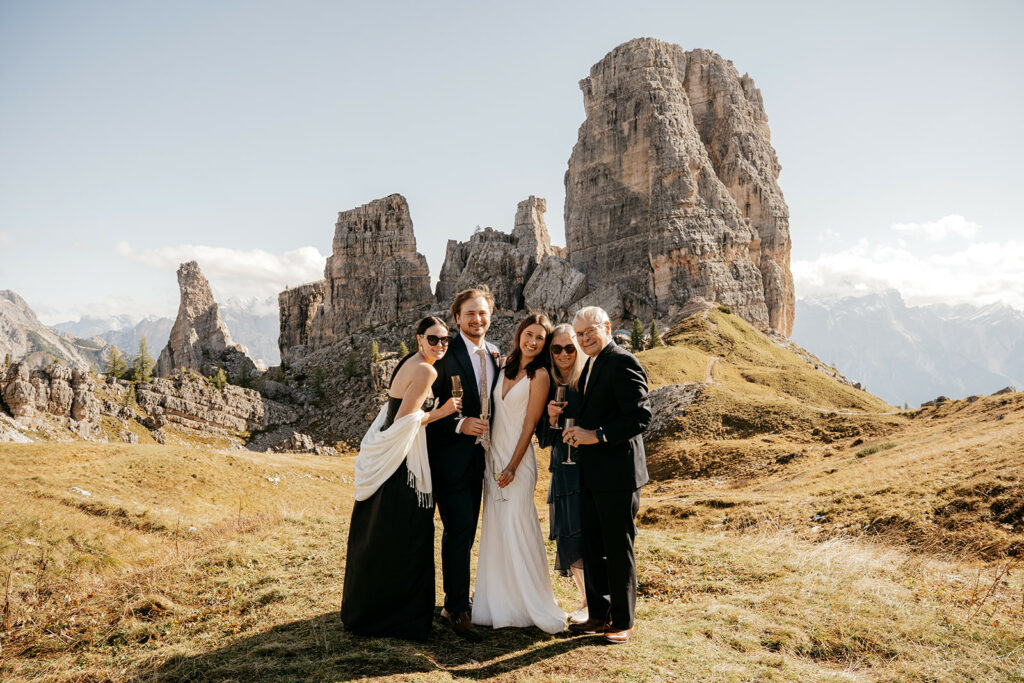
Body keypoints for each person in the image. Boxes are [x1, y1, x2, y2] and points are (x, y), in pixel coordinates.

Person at [341, 316, 461, 641]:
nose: (440, 345)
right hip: (402, 465)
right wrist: (445, 411)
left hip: (391, 460)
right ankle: (400, 619)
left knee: (381, 535)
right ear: (420, 339)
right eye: (433, 339)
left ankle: (368, 610)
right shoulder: (426, 370)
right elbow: (404, 420)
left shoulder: (409, 361)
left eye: (445, 340)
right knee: (408, 536)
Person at [472, 313, 566, 634]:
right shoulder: (506, 364)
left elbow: (529, 424)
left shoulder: (540, 375)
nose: (533, 341)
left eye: (540, 338)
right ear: (520, 333)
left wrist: (512, 465)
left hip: (518, 461)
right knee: (497, 528)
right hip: (492, 457)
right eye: (529, 334)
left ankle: (531, 604)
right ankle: (496, 605)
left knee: (518, 525)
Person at [562, 306, 651, 644]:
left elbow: (641, 417)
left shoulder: (622, 360)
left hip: (618, 474)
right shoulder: (592, 364)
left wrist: (595, 435)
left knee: (617, 547)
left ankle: (624, 621)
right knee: (594, 545)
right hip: (592, 472)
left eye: (590, 331)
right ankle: (599, 615)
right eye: (579, 334)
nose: (584, 338)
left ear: (607, 327)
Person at [426, 288, 500, 641]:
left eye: (482, 313)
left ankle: (455, 600)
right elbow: (420, 411)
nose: (477, 320)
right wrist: (458, 424)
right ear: (457, 318)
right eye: (470, 314)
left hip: (481, 460)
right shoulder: (444, 355)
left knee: (468, 532)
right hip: (450, 459)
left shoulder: (496, 355)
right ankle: (456, 608)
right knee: (459, 531)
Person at [537, 323, 588, 624]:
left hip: (588, 467)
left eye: (570, 347)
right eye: (557, 349)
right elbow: (544, 440)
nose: (564, 353)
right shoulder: (551, 384)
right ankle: (585, 600)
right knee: (567, 533)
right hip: (563, 467)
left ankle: (595, 599)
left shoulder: (586, 380)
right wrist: (550, 417)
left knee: (586, 532)